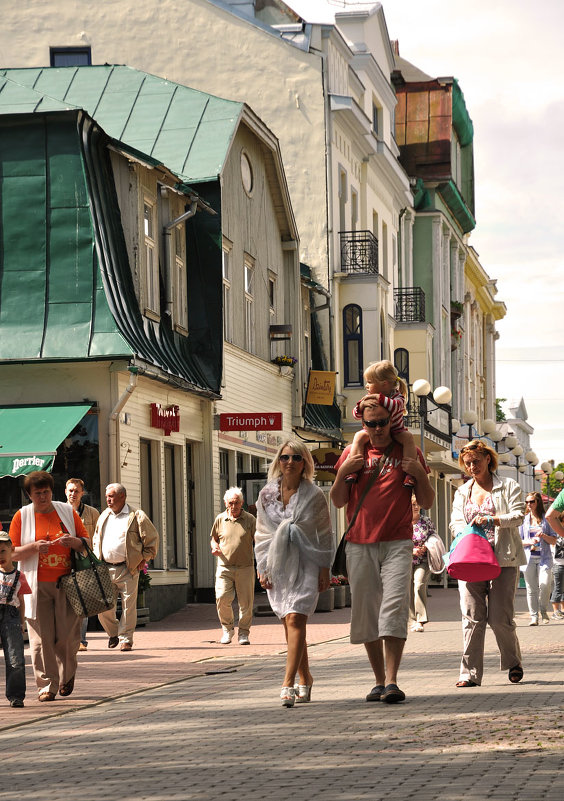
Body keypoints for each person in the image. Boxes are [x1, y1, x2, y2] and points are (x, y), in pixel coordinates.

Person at [331, 397, 435, 704]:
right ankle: (378, 681)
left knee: (393, 607)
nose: (376, 429)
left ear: (392, 420)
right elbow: (338, 500)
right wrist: (343, 470)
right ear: (362, 424)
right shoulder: (354, 452)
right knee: (366, 611)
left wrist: (418, 471)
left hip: (397, 542)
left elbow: (426, 501)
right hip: (359, 542)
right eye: (369, 423)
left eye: (381, 422)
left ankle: (392, 680)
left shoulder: (408, 450)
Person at [255, 441, 333, 707]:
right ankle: (306, 677)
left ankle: (287, 684)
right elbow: (262, 534)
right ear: (278, 460)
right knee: (288, 623)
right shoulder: (266, 494)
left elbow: (324, 533)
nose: (290, 462)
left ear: (305, 463)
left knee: (297, 618)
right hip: (277, 564)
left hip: (307, 561)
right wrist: (262, 568)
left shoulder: (314, 495)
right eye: (285, 457)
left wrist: (325, 567)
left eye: (296, 457)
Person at [450, 440, 526, 688]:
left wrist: (492, 520)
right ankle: (469, 673)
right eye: (468, 463)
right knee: (472, 617)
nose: (472, 466)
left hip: (503, 559)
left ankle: (513, 661)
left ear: (488, 460)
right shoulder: (462, 492)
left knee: (499, 618)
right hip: (471, 560)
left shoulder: (508, 486)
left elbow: (517, 516)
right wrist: (466, 531)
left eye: (476, 461)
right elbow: (455, 524)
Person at [10, 470, 89, 702]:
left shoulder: (66, 511)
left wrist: (72, 541)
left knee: (67, 635)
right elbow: (11, 553)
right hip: (34, 584)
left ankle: (67, 675)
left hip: (67, 583)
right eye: (38, 493)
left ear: (52, 492)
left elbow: (86, 541)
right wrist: (34, 547)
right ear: (29, 495)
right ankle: (47, 685)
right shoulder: (22, 516)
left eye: (46, 492)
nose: (43, 497)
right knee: (40, 638)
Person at [92, 483, 159, 652]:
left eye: (112, 496)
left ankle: (126, 639)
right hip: (105, 568)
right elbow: (96, 539)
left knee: (129, 606)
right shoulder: (104, 515)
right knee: (103, 607)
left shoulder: (136, 515)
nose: (108, 499)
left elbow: (152, 540)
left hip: (128, 568)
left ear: (122, 497)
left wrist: (144, 559)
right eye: (107, 496)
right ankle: (114, 633)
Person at [345, 360, 417, 487]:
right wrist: (361, 405)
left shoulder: (397, 397)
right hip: (372, 432)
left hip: (396, 431)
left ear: (384, 384)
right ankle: (353, 470)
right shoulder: (369, 396)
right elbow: (356, 414)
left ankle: (409, 474)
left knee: (408, 438)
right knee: (358, 437)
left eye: (370, 382)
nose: (367, 386)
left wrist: (379, 398)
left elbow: (394, 406)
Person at [210, 487, 256, 645]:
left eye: (237, 503)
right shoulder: (220, 519)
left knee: (246, 603)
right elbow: (214, 538)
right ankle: (227, 629)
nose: (234, 506)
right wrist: (214, 546)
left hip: (245, 567)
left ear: (242, 503)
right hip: (224, 567)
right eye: (231, 503)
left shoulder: (250, 519)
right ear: (225, 503)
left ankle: (243, 633)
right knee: (222, 597)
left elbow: (259, 540)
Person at [65, 478, 100, 650]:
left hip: (85, 562)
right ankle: (68, 639)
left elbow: (99, 537)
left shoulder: (92, 513)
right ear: (65, 492)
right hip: (63, 563)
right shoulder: (58, 511)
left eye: (76, 491)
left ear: (82, 493)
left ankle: (81, 640)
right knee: (66, 603)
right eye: (70, 490)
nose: (73, 494)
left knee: (83, 602)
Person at [0, 530, 31, 707]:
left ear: (12, 550)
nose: (0, 556)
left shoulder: (20, 577)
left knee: (15, 658)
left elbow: (21, 601)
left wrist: (22, 622)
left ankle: (16, 695)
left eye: (3, 551)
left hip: (11, 617)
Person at [519, 491, 556, 625]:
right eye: (527, 502)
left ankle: (544, 610)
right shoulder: (523, 520)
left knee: (545, 585)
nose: (529, 504)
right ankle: (534, 617)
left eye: (532, 502)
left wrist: (543, 536)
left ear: (538, 502)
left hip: (544, 558)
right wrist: (529, 542)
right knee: (531, 589)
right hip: (528, 558)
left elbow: (554, 540)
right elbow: (518, 540)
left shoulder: (546, 519)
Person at [409, 496, 444, 632]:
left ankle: (420, 619)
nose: (416, 507)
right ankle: (412, 620)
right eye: (413, 504)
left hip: (422, 560)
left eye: (418, 504)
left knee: (418, 585)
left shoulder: (426, 521)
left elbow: (433, 536)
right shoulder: (401, 522)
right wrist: (411, 550)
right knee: (407, 589)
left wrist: (426, 546)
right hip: (406, 559)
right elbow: (396, 540)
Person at [545, 500, 564, 620]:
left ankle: (562, 610)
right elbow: (555, 545)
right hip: (559, 564)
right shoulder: (558, 532)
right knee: (558, 587)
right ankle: (555, 610)